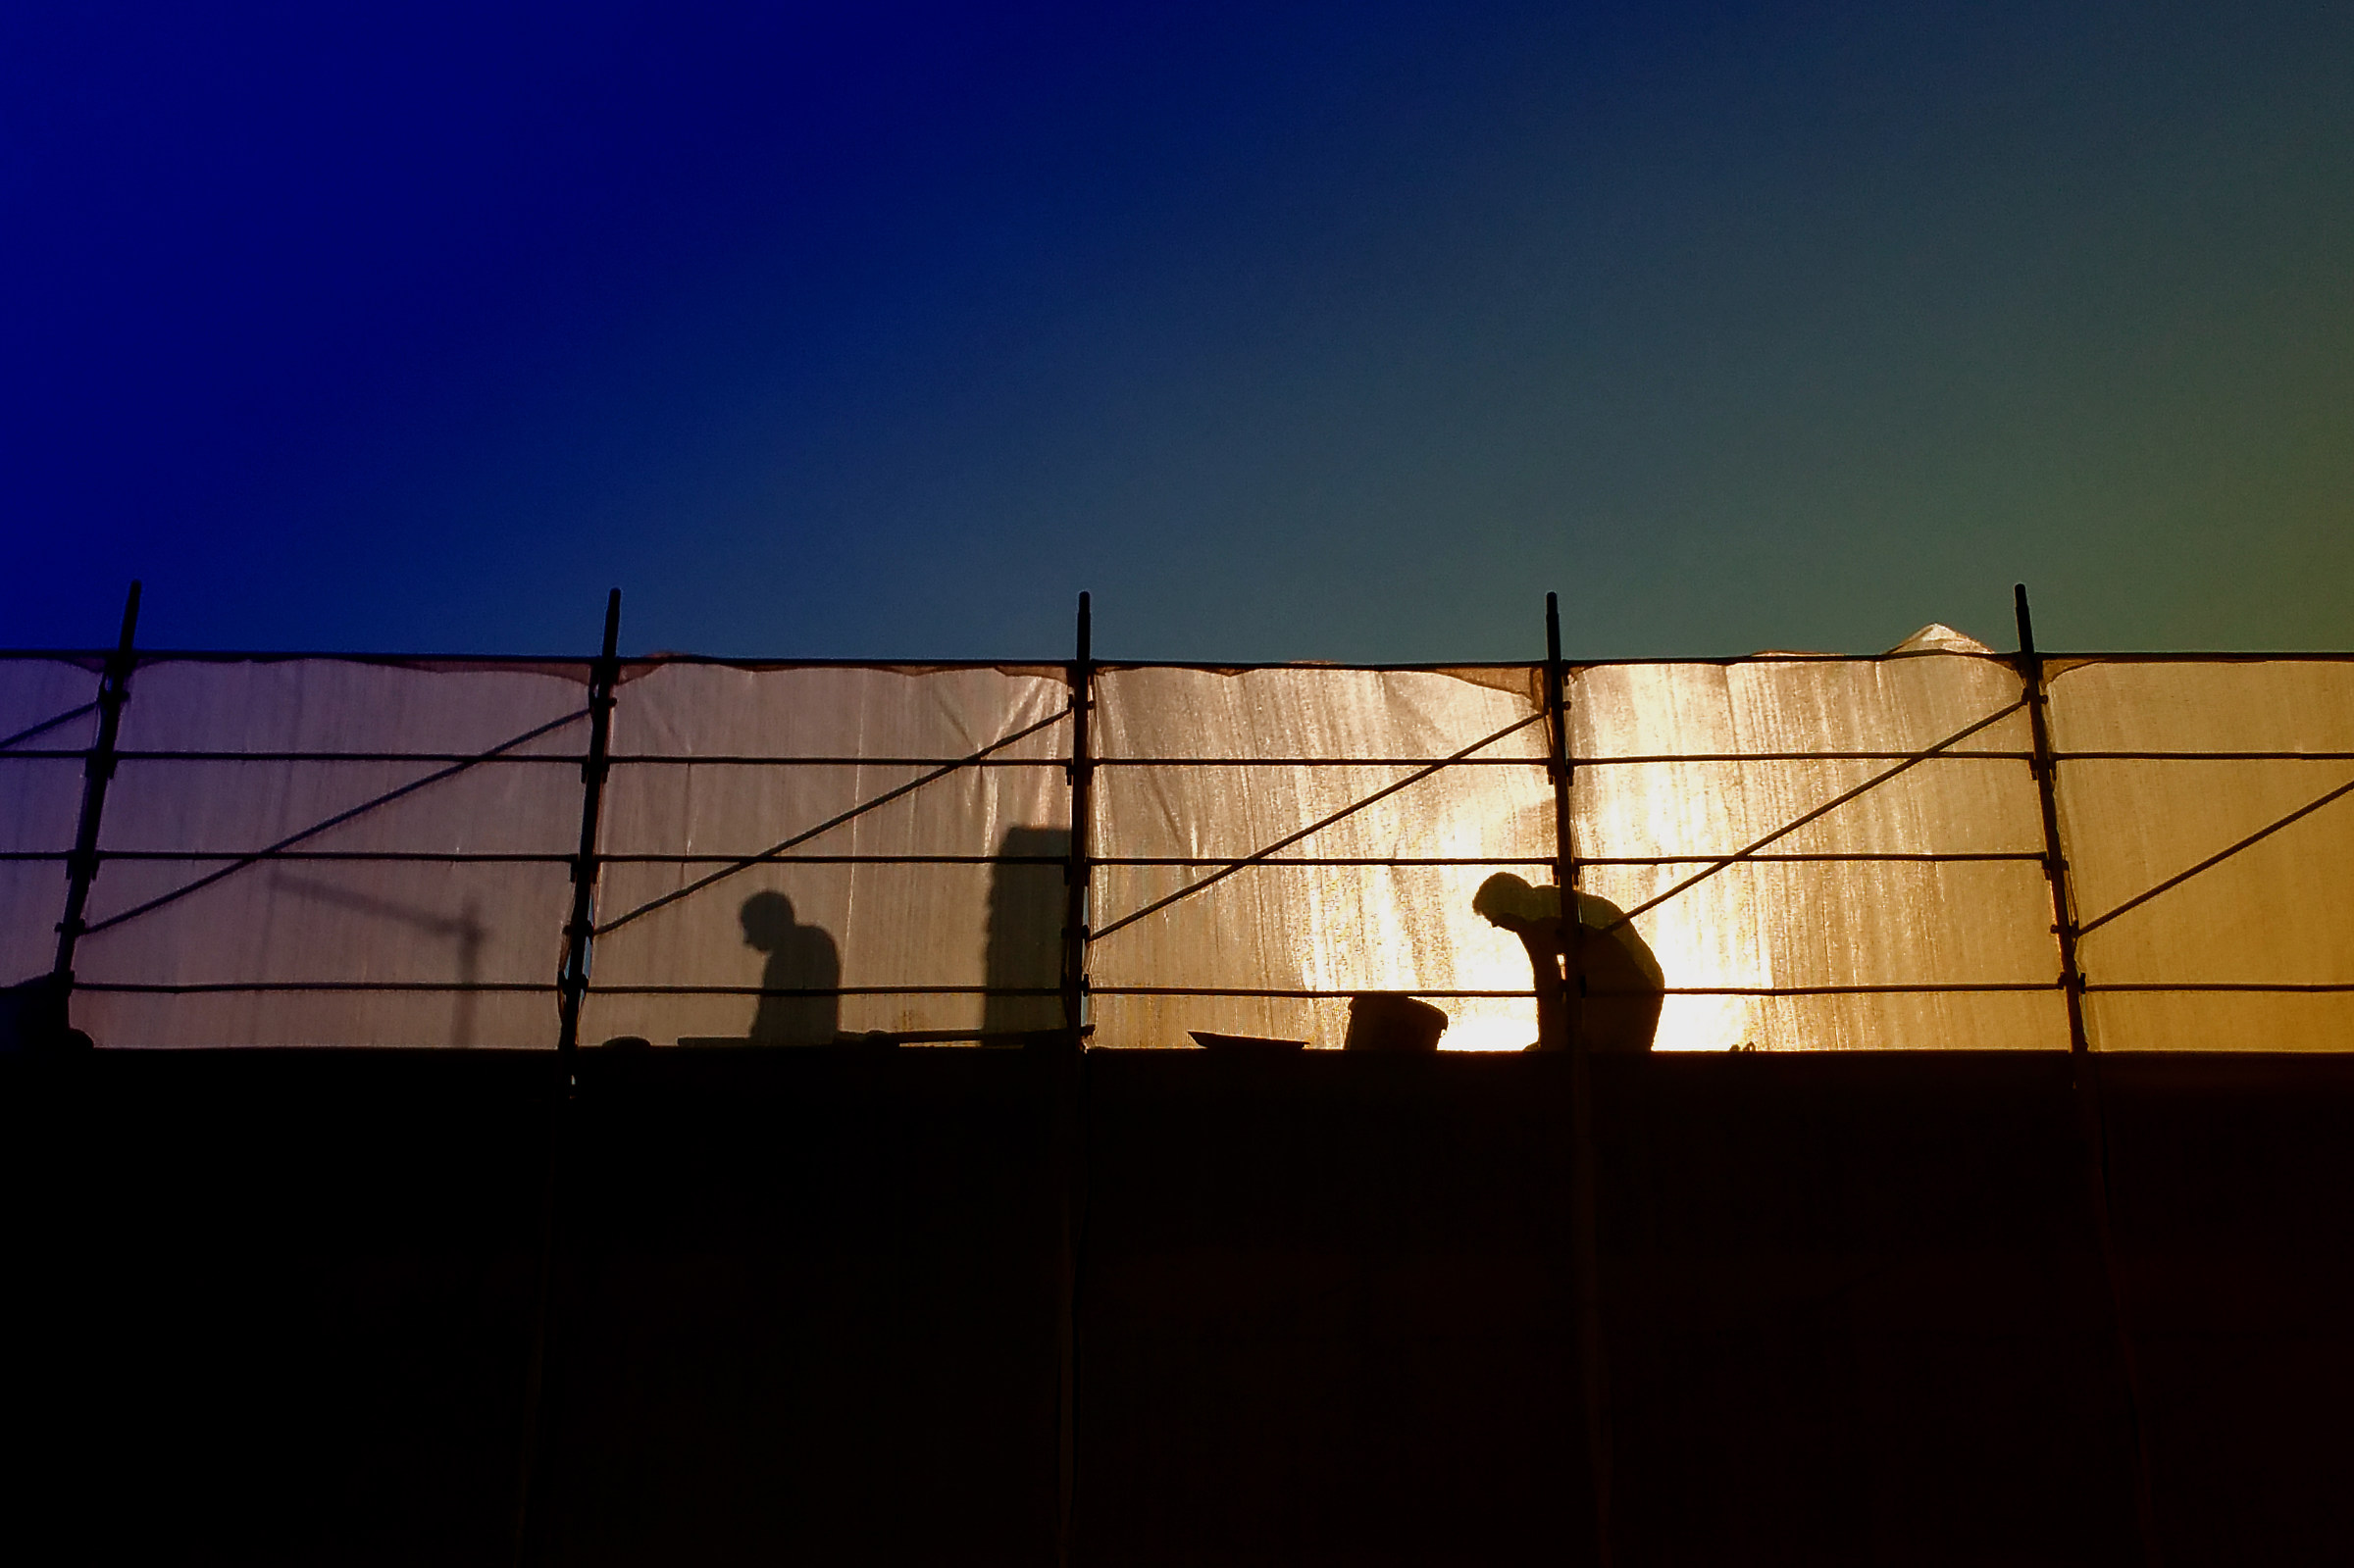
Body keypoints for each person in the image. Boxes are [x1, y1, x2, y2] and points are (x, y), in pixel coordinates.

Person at [1473, 872, 1663, 1053]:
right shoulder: (1546, 901)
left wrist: (1547, 1046)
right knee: (1622, 1061)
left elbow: (1547, 985)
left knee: (1595, 1057)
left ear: (1505, 907)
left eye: (1495, 918)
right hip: (1644, 978)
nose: (1497, 925)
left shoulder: (1532, 920)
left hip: (1629, 985)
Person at [739, 891, 841, 1044]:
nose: (749, 940)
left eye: (751, 928)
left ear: (767, 924)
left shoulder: (794, 952)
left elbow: (774, 1013)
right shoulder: (812, 943)